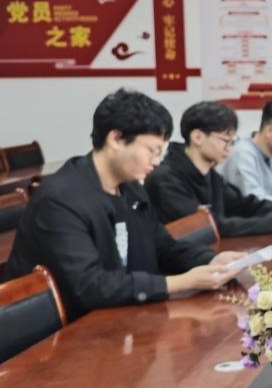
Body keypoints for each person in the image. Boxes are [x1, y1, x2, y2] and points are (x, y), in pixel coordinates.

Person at [2, 89, 243, 321]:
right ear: (116, 139)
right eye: (152, 150)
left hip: (120, 316)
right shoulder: (60, 199)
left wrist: (210, 260)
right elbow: (89, 285)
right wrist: (181, 282)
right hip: (61, 333)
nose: (156, 161)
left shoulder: (130, 188)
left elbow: (162, 246)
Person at [146, 101, 272, 237]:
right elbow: (210, 226)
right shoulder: (165, 179)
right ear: (197, 137)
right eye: (225, 141)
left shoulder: (211, 176)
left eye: (232, 142)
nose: (229, 149)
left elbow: (246, 205)